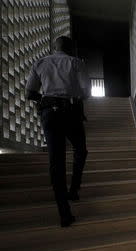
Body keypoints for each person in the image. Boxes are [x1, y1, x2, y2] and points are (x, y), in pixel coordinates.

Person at [25, 36, 90, 227]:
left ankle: (64, 213)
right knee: (80, 150)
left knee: (56, 161)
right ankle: (74, 189)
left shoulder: (41, 63)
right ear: (70, 48)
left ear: (54, 48)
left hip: (49, 113)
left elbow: (29, 93)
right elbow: (86, 92)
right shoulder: (75, 62)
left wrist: (47, 98)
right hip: (70, 111)